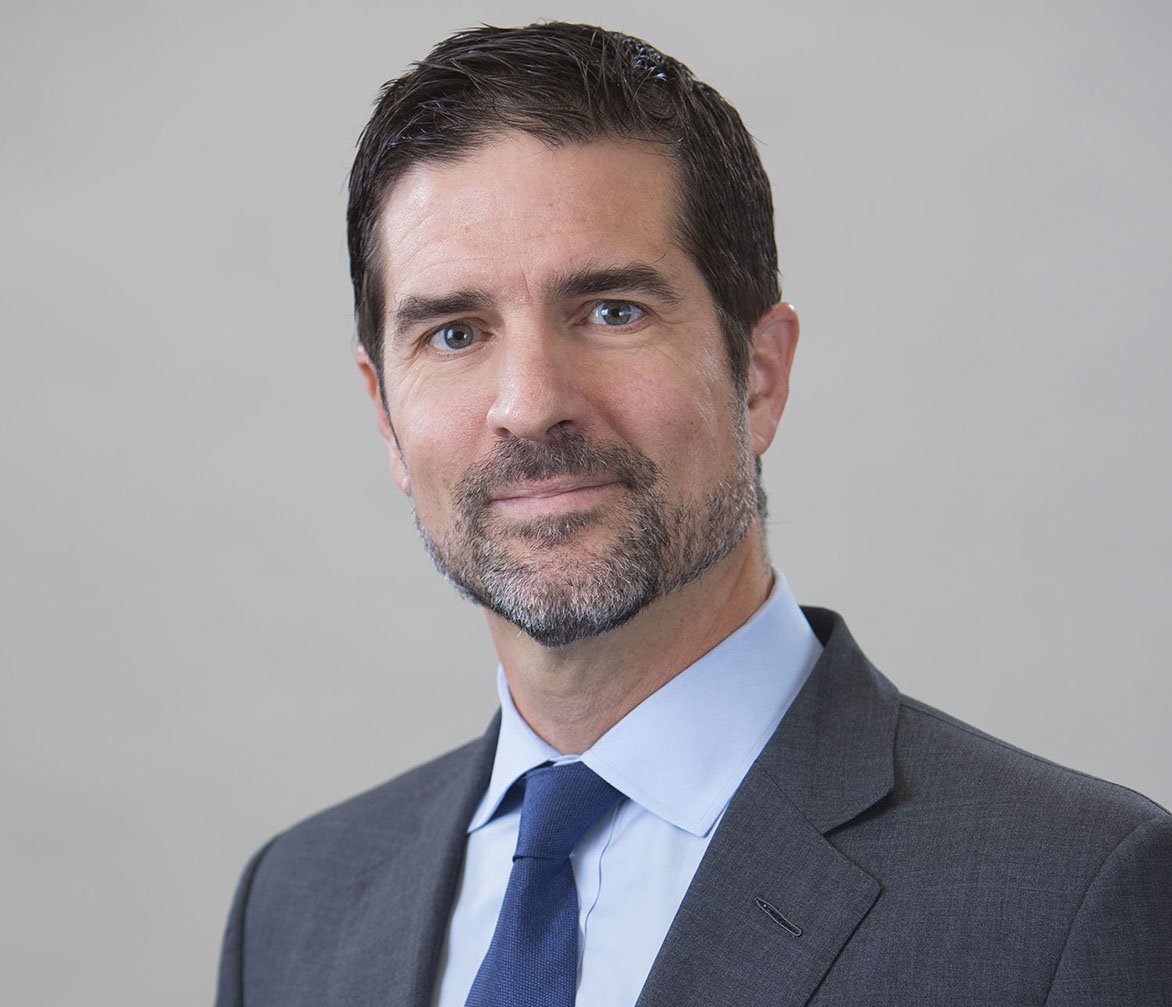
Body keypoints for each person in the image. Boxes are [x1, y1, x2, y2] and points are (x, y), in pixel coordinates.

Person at [215, 22, 1171, 1007]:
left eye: (612, 310)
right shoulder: (292, 908)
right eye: (455, 333)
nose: (530, 404)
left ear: (759, 374)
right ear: (384, 413)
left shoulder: (1070, 898)